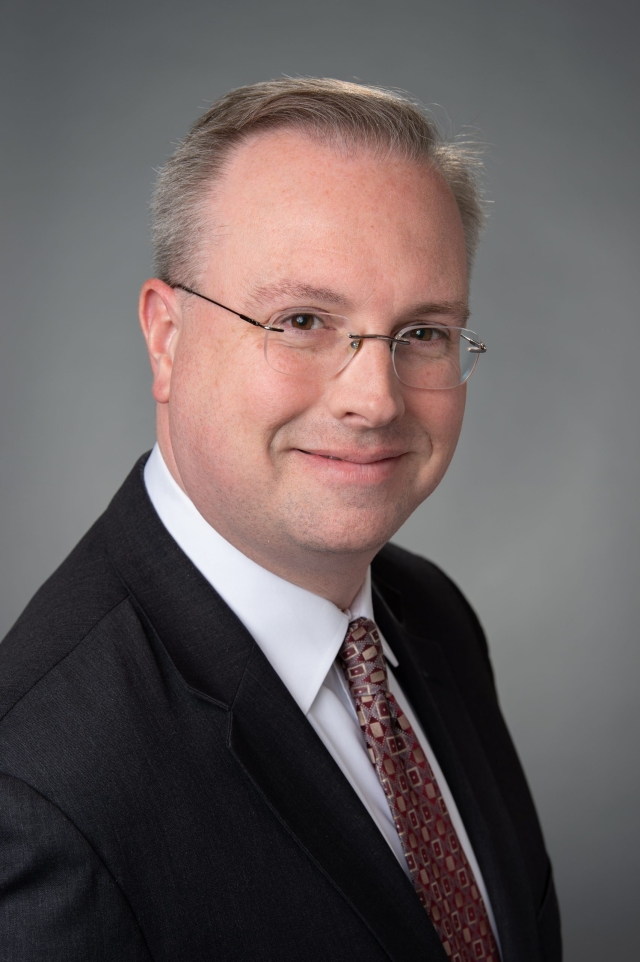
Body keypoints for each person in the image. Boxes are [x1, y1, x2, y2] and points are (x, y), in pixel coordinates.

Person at [0, 78, 561, 961]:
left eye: (422, 332)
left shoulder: (432, 617)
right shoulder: (39, 792)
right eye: (302, 320)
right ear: (166, 338)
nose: (375, 401)